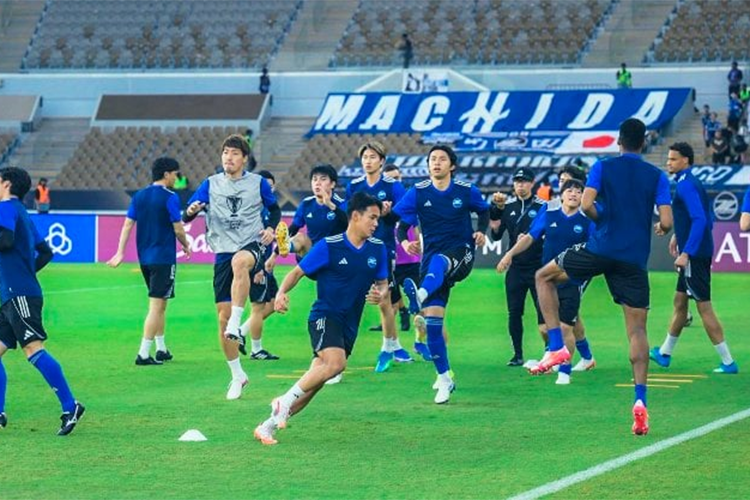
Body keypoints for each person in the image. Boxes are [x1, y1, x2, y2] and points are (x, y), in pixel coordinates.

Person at [532, 118, 672, 436]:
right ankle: (640, 400)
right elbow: (666, 220)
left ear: (619, 141)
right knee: (637, 330)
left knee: (544, 277)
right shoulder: (656, 176)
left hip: (601, 248)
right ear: (644, 143)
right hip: (634, 259)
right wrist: (662, 228)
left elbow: (586, 205)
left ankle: (557, 346)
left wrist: (603, 219)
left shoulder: (603, 167)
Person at [253, 192, 389, 445]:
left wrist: (379, 294)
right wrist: (281, 293)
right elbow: (296, 272)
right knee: (336, 364)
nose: (375, 223)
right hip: (325, 315)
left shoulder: (378, 249)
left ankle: (267, 426)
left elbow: (383, 284)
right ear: (355, 216)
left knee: (315, 383)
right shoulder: (329, 245)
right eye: (372, 218)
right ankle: (283, 401)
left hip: (350, 323)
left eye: (378, 219)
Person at [183, 134, 280, 400]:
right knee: (222, 318)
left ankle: (238, 323)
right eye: (226, 152)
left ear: (244, 159)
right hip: (222, 250)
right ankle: (237, 375)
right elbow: (186, 215)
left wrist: (270, 228)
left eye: (235, 153)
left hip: (252, 243)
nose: (229, 157)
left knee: (240, 262)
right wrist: (191, 210)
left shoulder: (258, 183)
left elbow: (274, 210)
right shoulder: (211, 183)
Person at [394, 144, 490, 404]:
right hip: (430, 265)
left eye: (441, 159)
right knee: (434, 327)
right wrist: (405, 242)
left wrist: (480, 231)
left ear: (452, 165)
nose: (436, 163)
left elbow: (483, 211)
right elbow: (402, 225)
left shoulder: (466, 190)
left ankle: (420, 294)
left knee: (440, 261)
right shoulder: (418, 192)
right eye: (432, 159)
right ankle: (445, 379)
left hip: (461, 254)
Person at [0, 167, 84, 435]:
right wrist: (26, 272)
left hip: (19, 294)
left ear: (6, 184)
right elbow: (45, 252)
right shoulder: (21, 212)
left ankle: (71, 406)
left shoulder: (6, 208)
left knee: (32, 348)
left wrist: (22, 276)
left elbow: (5, 240)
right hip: (12, 293)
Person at [650, 143, 738, 374]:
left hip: (694, 256)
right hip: (696, 251)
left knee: (704, 307)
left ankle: (728, 362)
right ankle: (665, 353)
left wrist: (686, 252)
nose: (668, 163)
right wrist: (678, 236)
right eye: (668, 158)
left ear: (686, 161)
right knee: (680, 302)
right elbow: (706, 218)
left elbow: (700, 219)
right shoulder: (690, 182)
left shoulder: (686, 185)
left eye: (673, 159)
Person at [497, 179, 594, 385]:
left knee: (565, 328)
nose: (574, 194)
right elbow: (530, 237)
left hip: (572, 279)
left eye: (579, 192)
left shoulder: (587, 219)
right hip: (548, 281)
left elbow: (595, 247)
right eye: (570, 190)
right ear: (561, 194)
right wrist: (509, 254)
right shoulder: (549, 212)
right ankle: (555, 356)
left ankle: (564, 372)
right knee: (545, 329)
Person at [107, 157, 191, 365]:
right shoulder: (170, 197)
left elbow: (127, 225)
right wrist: (186, 244)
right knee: (156, 306)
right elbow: (178, 228)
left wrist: (120, 252)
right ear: (166, 174)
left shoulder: (139, 196)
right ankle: (143, 353)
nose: (176, 178)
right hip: (163, 258)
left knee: (160, 304)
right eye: (175, 174)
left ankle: (161, 348)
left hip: (144, 258)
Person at [346, 142, 413, 372]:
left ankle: (387, 348)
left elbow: (405, 214)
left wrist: (389, 213)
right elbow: (348, 216)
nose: (368, 161)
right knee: (351, 297)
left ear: (382, 161)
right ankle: (394, 346)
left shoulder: (393, 186)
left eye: (373, 157)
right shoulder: (354, 186)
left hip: (383, 248)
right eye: (365, 157)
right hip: (356, 248)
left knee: (385, 298)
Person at [489, 167, 547, 367]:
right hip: (516, 268)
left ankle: (550, 352)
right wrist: (496, 209)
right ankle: (517, 354)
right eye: (517, 181)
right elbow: (496, 235)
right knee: (514, 312)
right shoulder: (508, 207)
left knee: (543, 311)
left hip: (538, 266)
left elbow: (548, 232)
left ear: (532, 183)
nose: (520, 185)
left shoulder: (542, 206)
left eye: (524, 181)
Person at [237, 170, 280, 361]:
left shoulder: (270, 210)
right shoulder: (256, 211)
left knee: (273, 303)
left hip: (265, 265)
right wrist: (259, 268)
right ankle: (256, 349)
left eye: (270, 186)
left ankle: (241, 331)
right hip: (257, 265)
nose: (267, 189)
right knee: (258, 306)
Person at [276, 164, 347, 259]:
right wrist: (275, 254)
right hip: (311, 252)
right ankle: (288, 247)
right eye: (314, 179)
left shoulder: (341, 203)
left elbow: (349, 224)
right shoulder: (306, 204)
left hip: (335, 254)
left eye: (323, 179)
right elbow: (294, 228)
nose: (317, 183)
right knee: (300, 237)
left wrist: (330, 205)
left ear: (332, 184)